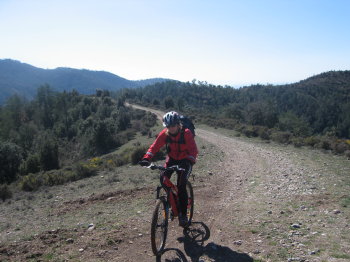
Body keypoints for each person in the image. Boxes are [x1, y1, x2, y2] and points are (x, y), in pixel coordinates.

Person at [139, 111, 198, 227]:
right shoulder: (165, 134)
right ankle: (173, 202)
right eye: (168, 126)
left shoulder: (186, 133)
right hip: (172, 159)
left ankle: (183, 215)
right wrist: (147, 158)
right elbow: (154, 146)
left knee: (181, 185)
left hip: (185, 161)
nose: (171, 128)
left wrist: (190, 160)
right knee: (163, 179)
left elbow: (193, 150)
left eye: (173, 126)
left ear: (178, 124)